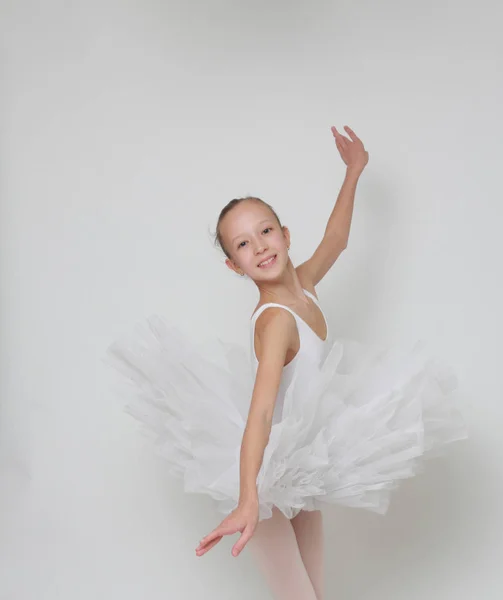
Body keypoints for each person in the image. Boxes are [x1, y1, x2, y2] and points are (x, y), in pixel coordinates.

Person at [105, 126, 467, 600]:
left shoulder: (304, 288)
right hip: (264, 475)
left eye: (266, 231)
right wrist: (250, 498)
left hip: (297, 464)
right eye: (242, 245)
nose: (259, 247)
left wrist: (354, 170)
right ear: (235, 267)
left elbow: (336, 240)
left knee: (313, 593)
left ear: (285, 234)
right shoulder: (276, 321)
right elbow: (259, 410)